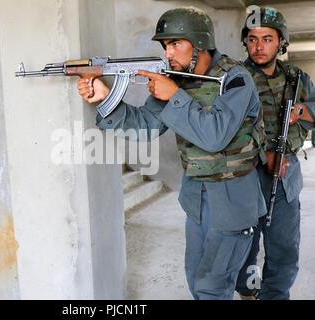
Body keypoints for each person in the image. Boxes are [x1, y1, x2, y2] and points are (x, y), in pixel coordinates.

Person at [77, 7, 266, 300]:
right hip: (197, 197)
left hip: (233, 199)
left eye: (176, 43)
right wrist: (104, 100)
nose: (169, 53)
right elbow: (143, 127)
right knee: (195, 280)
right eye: (166, 46)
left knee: (212, 287)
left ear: (199, 42)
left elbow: (215, 135)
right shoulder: (179, 79)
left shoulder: (235, 79)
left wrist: (174, 95)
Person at [236, 6, 315, 300]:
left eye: (267, 39)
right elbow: (223, 126)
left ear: (281, 42)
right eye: (253, 39)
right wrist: (262, 155)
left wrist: (304, 110)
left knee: (283, 244)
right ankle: (247, 292)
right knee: (245, 242)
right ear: (246, 41)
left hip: (286, 174)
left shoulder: (297, 78)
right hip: (244, 173)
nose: (259, 46)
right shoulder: (234, 77)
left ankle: (275, 295)